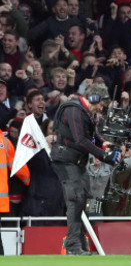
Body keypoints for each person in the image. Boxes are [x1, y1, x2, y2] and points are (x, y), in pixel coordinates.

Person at [50, 83, 121, 255]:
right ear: (93, 98)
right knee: (76, 199)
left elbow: (91, 136)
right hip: (66, 161)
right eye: (101, 103)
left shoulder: (84, 112)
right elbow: (81, 140)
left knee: (84, 200)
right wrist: (105, 156)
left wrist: (104, 143)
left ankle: (81, 245)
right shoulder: (73, 111)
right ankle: (73, 246)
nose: (102, 107)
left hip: (77, 162)